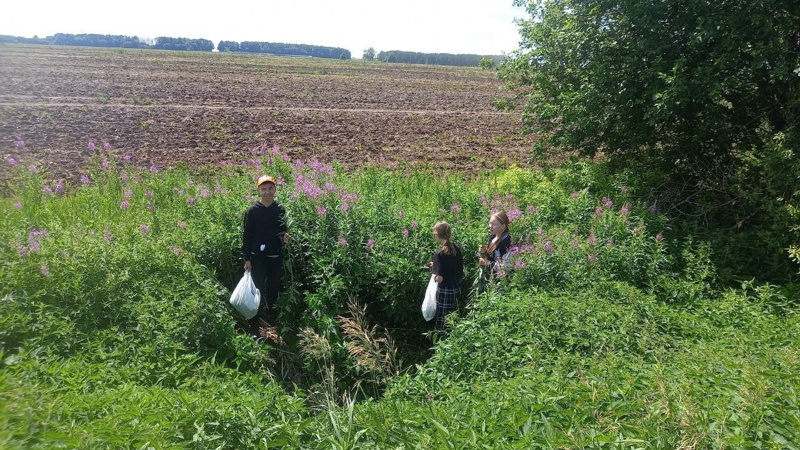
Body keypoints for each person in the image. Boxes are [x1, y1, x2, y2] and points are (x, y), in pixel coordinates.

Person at [242, 175, 291, 338]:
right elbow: (247, 236)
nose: (267, 192)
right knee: (256, 291)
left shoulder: (280, 209)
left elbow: (284, 231)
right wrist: (247, 258)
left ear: (275, 190)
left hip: (275, 256)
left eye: (270, 188)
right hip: (257, 257)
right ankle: (254, 329)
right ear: (258, 191)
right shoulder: (252, 211)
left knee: (273, 290)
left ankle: (272, 319)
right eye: (264, 189)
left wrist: (286, 238)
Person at [427, 221, 464, 330]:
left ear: (437, 234)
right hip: (456, 288)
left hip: (445, 291)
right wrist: (437, 266)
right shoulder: (456, 248)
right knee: (453, 317)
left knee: (442, 319)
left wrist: (434, 272)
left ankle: (441, 339)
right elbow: (453, 267)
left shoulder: (439, 254)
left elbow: (439, 279)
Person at [478, 211, 512, 279]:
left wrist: (488, 263)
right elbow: (491, 258)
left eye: (494, 224)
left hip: (503, 279)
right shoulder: (492, 237)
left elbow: (507, 266)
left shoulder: (508, 242)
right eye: (490, 223)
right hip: (493, 277)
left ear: (503, 226)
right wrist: (484, 253)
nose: (490, 226)